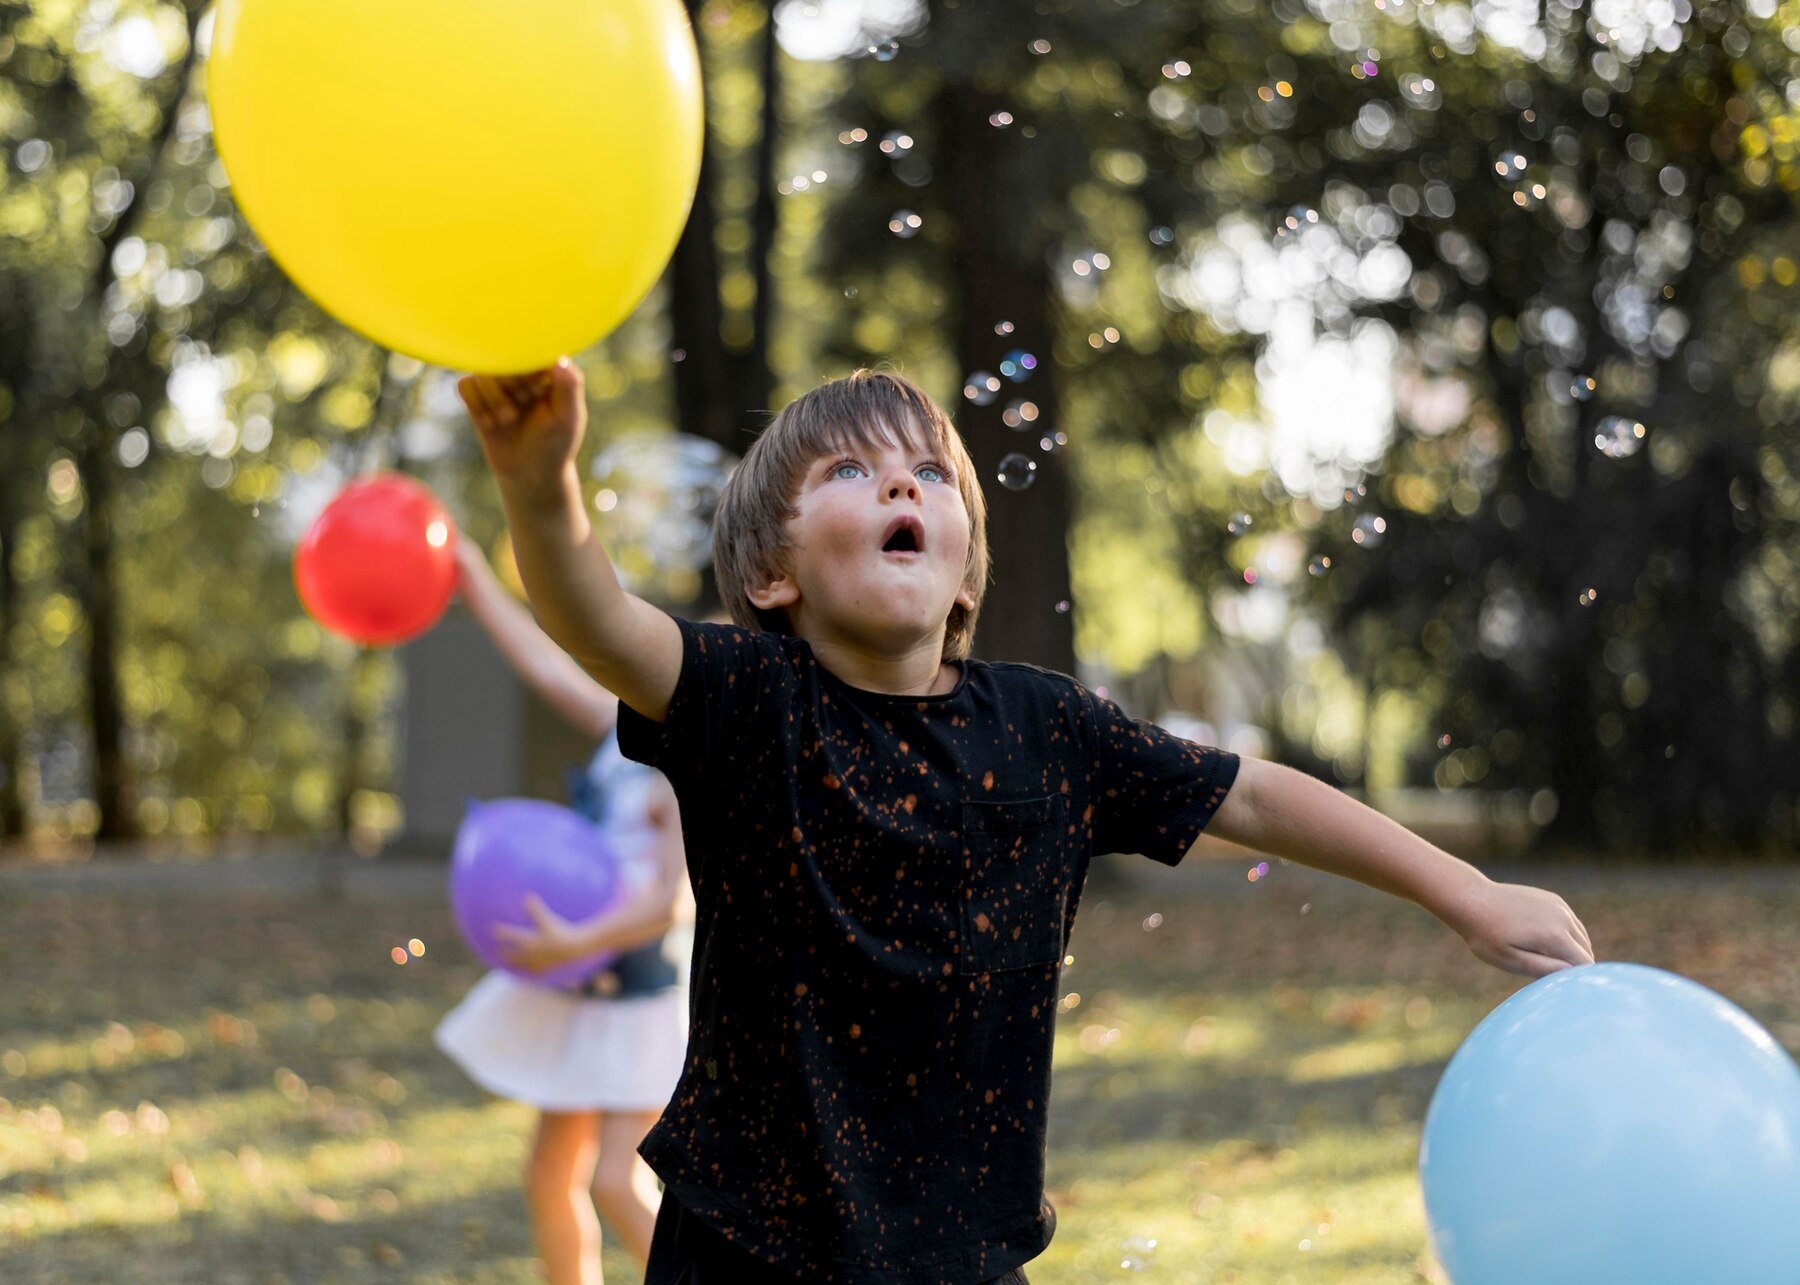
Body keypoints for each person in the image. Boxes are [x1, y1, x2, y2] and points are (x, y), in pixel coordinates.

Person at [457, 361, 1595, 1285]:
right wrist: (535, 479)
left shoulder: (1048, 728)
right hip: (744, 1250)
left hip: (966, 1258)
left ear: (962, 576)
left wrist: (1466, 890)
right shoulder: (751, 701)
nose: (904, 489)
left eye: (930, 476)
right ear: (769, 572)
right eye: (853, 471)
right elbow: (596, 619)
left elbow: (1247, 791)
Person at [433, 534, 691, 1285]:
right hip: (579, 977)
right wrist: (477, 581)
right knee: (550, 1173)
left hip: (638, 992)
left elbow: (668, 903)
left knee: (617, 1180)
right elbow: (545, 666)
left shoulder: (681, 763)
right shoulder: (625, 733)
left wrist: (573, 937)